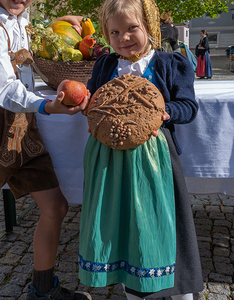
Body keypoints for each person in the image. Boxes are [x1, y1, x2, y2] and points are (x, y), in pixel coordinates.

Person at [0, 1, 91, 300]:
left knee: (55, 207)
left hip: (22, 125)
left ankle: (42, 290)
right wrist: (46, 106)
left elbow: (33, 44)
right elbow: (5, 90)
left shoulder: (20, 23)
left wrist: (59, 22)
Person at [78, 0, 203, 299]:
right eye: (115, 32)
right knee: (122, 223)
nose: (124, 38)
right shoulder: (105, 65)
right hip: (109, 158)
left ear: (148, 25)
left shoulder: (170, 63)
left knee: (164, 221)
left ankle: (180, 289)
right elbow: (95, 100)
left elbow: (188, 106)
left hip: (155, 158)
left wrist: (165, 112)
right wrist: (86, 105)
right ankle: (133, 286)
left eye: (132, 28)